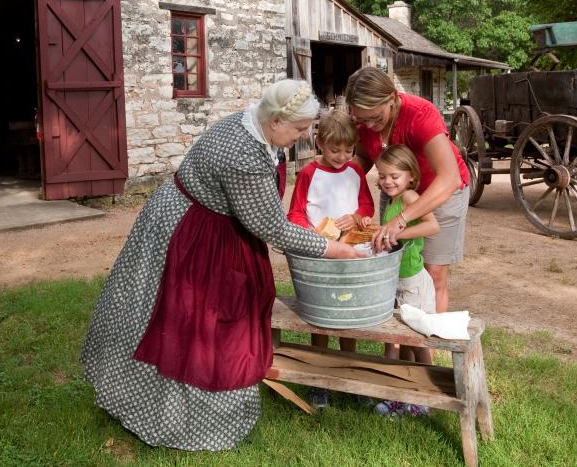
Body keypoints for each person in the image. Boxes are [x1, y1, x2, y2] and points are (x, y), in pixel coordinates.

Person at [81, 79, 364, 452]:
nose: (303, 137)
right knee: (191, 322)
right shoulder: (244, 157)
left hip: (206, 221)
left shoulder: (251, 125)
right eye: (298, 129)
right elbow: (271, 228)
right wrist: (332, 249)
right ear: (277, 121)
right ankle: (184, 420)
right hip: (193, 234)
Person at [345, 66, 470, 314]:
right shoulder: (363, 123)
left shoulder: (420, 115)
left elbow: (449, 178)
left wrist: (402, 220)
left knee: (432, 274)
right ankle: (403, 343)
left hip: (440, 192)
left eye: (376, 118)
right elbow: (361, 160)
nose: (369, 125)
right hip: (397, 193)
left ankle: (432, 346)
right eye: (362, 119)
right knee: (398, 268)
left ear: (391, 98)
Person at [286, 109, 374, 410]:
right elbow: (295, 213)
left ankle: (350, 375)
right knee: (320, 317)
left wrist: (357, 217)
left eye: (348, 150)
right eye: (335, 149)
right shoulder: (309, 173)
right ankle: (319, 380)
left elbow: (366, 206)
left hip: (349, 254)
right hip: (319, 255)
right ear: (319, 143)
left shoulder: (356, 171)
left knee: (349, 317)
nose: (342, 156)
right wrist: (313, 233)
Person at [374, 145, 439, 417]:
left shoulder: (410, 197)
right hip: (394, 280)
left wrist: (398, 233)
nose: (387, 181)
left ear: (411, 176)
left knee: (416, 340)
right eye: (382, 175)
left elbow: (433, 226)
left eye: (394, 176)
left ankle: (426, 395)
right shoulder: (389, 201)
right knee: (392, 339)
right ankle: (392, 393)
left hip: (412, 280)